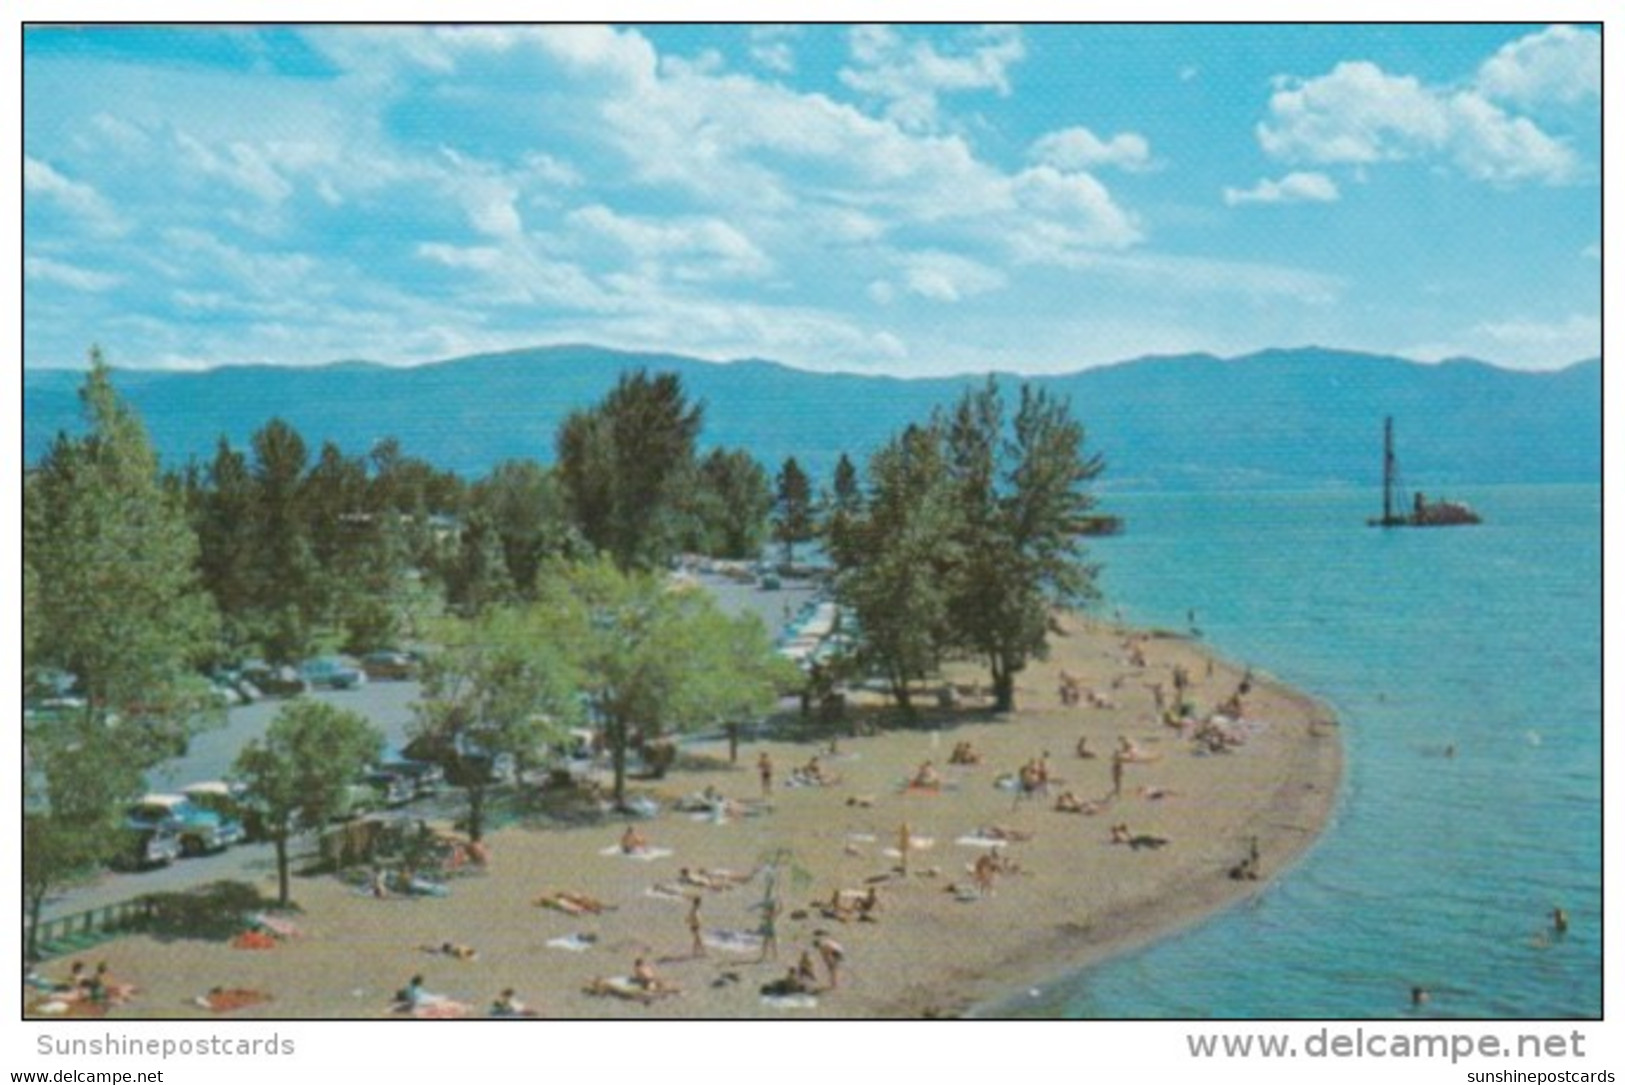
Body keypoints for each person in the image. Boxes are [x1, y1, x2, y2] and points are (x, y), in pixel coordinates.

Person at [757, 897, 781, 962]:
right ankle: (772, 956)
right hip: (770, 929)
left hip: (769, 929)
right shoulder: (771, 914)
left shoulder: (770, 914)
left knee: (769, 943)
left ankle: (768, 956)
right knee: (770, 943)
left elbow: (763, 916)